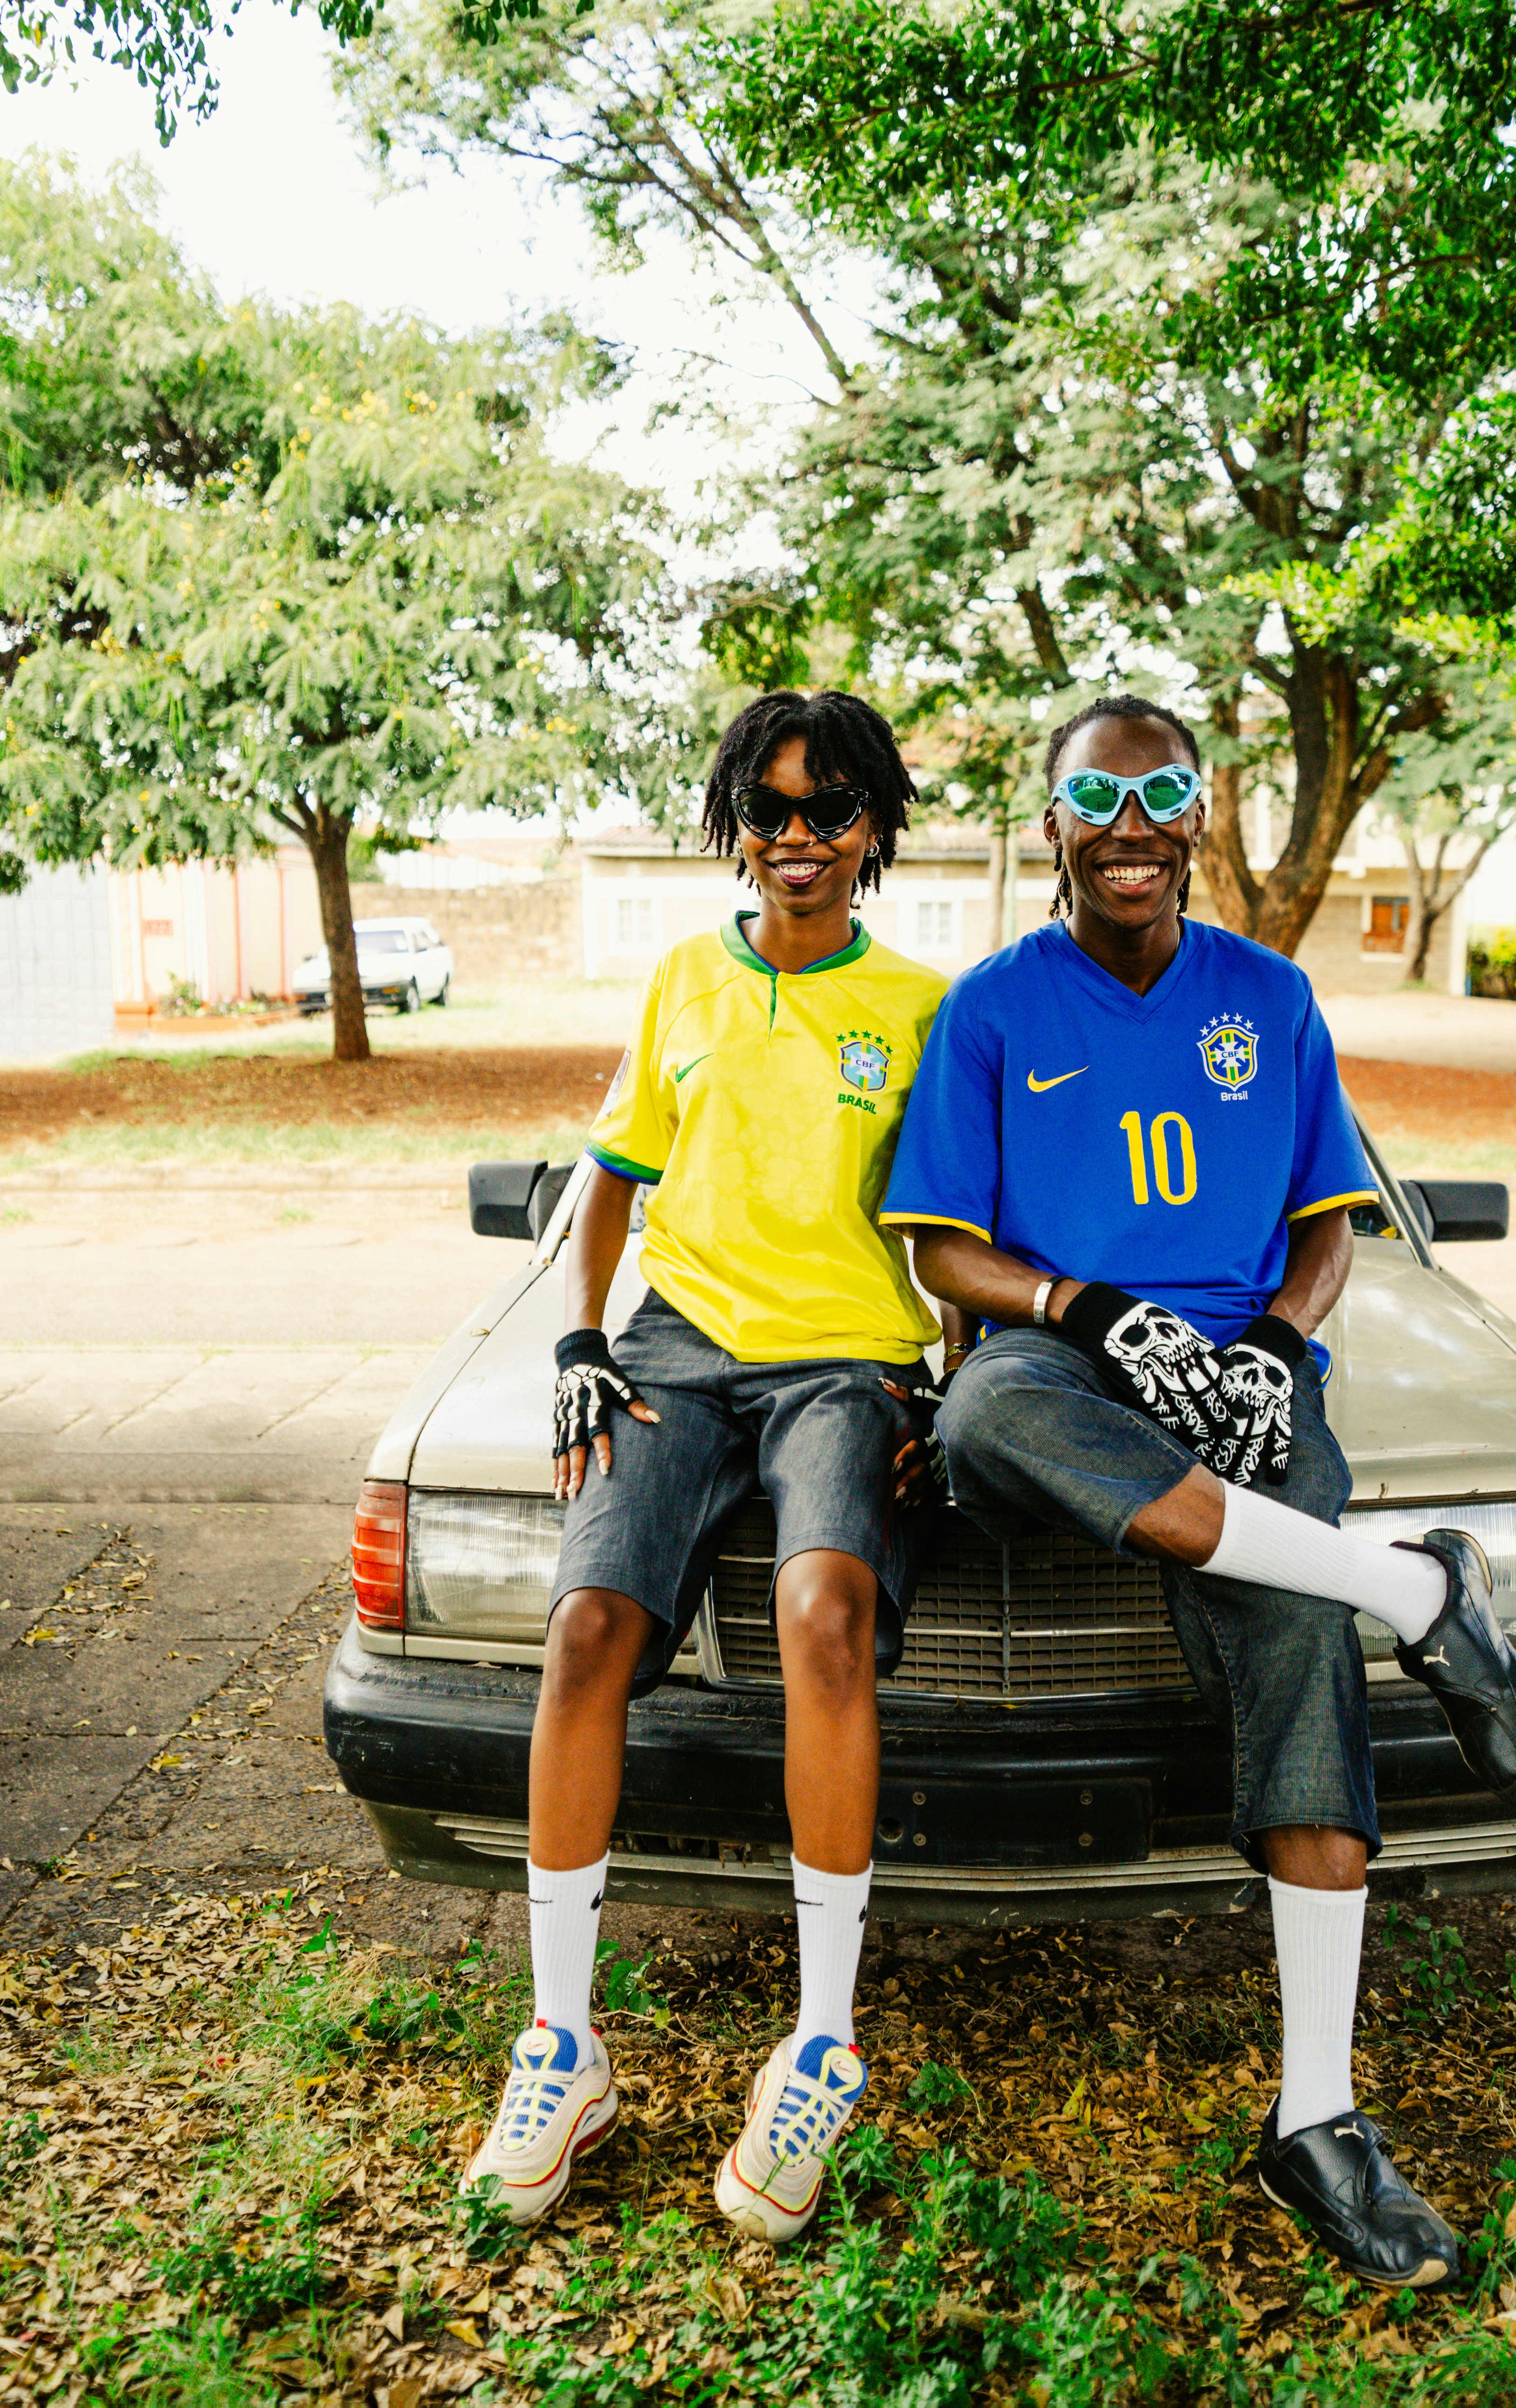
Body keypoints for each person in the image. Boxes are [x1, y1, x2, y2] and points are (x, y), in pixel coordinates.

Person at [881, 694, 1516, 2290]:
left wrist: (1270, 1344)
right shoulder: (990, 1007)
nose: (1129, 825)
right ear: (1050, 820)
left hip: (1242, 1367)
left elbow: (1330, 1220)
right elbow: (941, 1251)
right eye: (1095, 797)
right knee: (983, 1415)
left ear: (1199, 813)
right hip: (1064, 1362)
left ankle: (1314, 2117)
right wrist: (1083, 1306)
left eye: (1161, 791)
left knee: (1293, 1640)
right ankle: (1415, 1589)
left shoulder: (1272, 996)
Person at [462, 690, 959, 2243]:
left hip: (847, 1359)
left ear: (872, 830)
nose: (796, 836)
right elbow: (611, 1179)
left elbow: (955, 1222)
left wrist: (952, 1384)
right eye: (768, 809)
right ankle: (563, 2046)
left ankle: (820, 2047)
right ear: (734, 827)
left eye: (829, 809)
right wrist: (580, 1340)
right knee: (585, 1628)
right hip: (677, 1345)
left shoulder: (924, 1004)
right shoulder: (684, 975)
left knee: (824, 1613)